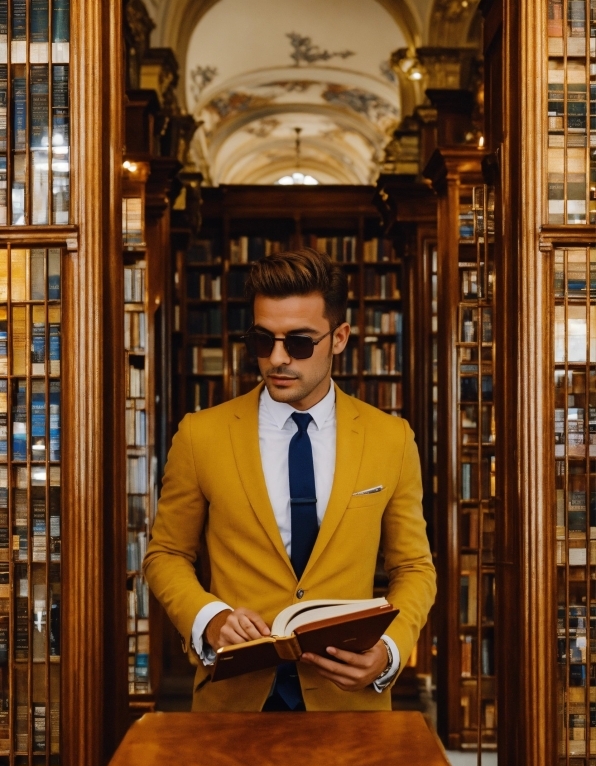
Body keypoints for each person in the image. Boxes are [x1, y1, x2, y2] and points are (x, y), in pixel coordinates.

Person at [143, 247, 436, 712]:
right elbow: (166, 556)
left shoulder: (391, 439)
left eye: (299, 343)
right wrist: (210, 618)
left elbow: (414, 569)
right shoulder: (201, 436)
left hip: (348, 703)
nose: (277, 358)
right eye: (264, 340)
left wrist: (388, 653)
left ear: (339, 338)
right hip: (233, 699)